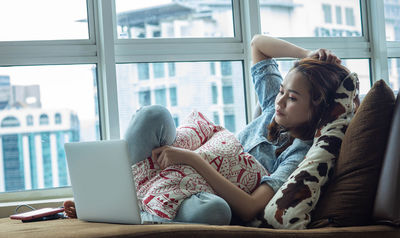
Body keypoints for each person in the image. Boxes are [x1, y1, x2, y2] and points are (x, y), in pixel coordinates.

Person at [64, 35, 349, 225]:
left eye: (292, 98)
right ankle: (115, 200)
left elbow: (251, 208)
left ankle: (136, 213)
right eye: (282, 91)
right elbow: (258, 44)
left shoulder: (300, 154)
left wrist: (192, 160)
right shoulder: (273, 109)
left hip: (202, 190)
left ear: (316, 109)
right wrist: (308, 56)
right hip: (184, 165)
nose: (280, 101)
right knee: (154, 115)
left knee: (215, 212)